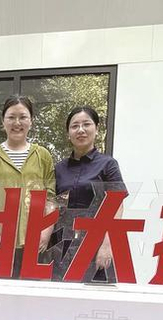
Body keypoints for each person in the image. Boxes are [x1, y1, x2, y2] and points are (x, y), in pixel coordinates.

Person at [0, 95, 56, 277]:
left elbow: (50, 197)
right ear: (3, 121)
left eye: (23, 117)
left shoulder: (43, 155)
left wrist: (46, 232)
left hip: (35, 239)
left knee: (31, 291)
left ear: (31, 121)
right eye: (11, 117)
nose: (17, 123)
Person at [54, 105, 126, 282]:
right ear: (68, 133)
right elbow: (54, 205)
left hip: (96, 244)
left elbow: (117, 206)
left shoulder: (108, 164)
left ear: (96, 129)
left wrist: (108, 244)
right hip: (64, 244)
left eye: (86, 124)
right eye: (74, 126)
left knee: (96, 295)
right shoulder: (59, 168)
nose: (81, 130)